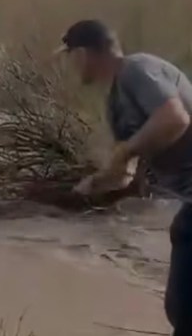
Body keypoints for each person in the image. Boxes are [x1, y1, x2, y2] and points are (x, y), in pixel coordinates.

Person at [60, 20, 192, 336]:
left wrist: (124, 151)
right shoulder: (114, 101)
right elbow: (127, 173)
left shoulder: (137, 69)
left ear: (83, 54)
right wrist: (96, 184)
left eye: (70, 57)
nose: (70, 66)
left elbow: (175, 118)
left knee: (184, 307)